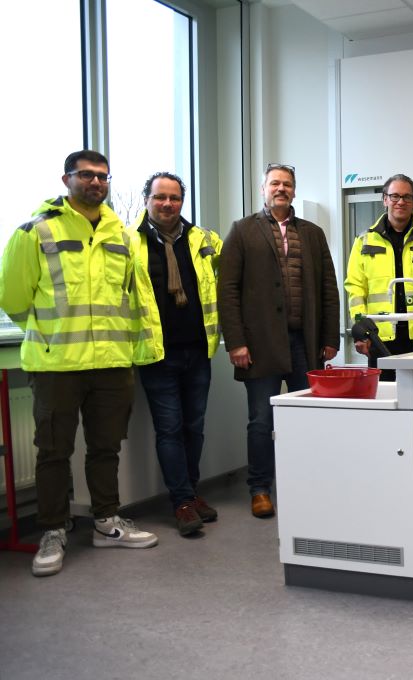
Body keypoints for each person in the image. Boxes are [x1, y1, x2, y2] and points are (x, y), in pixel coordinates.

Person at [0, 150, 158, 576]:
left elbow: (135, 298)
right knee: (53, 451)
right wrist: (54, 338)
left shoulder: (124, 235)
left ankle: (106, 522)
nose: (95, 183)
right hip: (56, 365)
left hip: (111, 362)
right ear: (66, 179)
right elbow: (13, 299)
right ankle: (52, 530)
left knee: (106, 447)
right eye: (86, 175)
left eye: (103, 176)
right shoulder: (35, 232)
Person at [218, 163, 341, 518]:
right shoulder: (242, 231)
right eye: (275, 183)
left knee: (308, 417)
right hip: (259, 345)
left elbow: (328, 289)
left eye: (287, 184)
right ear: (263, 189)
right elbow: (227, 290)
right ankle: (259, 489)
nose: (281, 189)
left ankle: (308, 483)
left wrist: (330, 337)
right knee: (260, 420)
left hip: (307, 342)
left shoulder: (313, 234)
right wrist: (236, 342)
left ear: (294, 191)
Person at [132, 172, 223, 536]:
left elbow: (223, 283)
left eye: (174, 198)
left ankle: (192, 492)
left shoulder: (203, 239)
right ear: (147, 200)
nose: (167, 204)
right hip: (157, 353)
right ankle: (182, 502)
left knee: (194, 428)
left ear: (182, 201)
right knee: (169, 429)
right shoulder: (129, 241)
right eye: (160, 197)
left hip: (198, 350)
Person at [345, 173, 413, 379]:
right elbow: (355, 289)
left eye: (407, 197)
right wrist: (361, 330)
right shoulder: (363, 241)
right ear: (385, 199)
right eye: (395, 196)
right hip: (379, 338)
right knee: (385, 401)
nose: (401, 202)